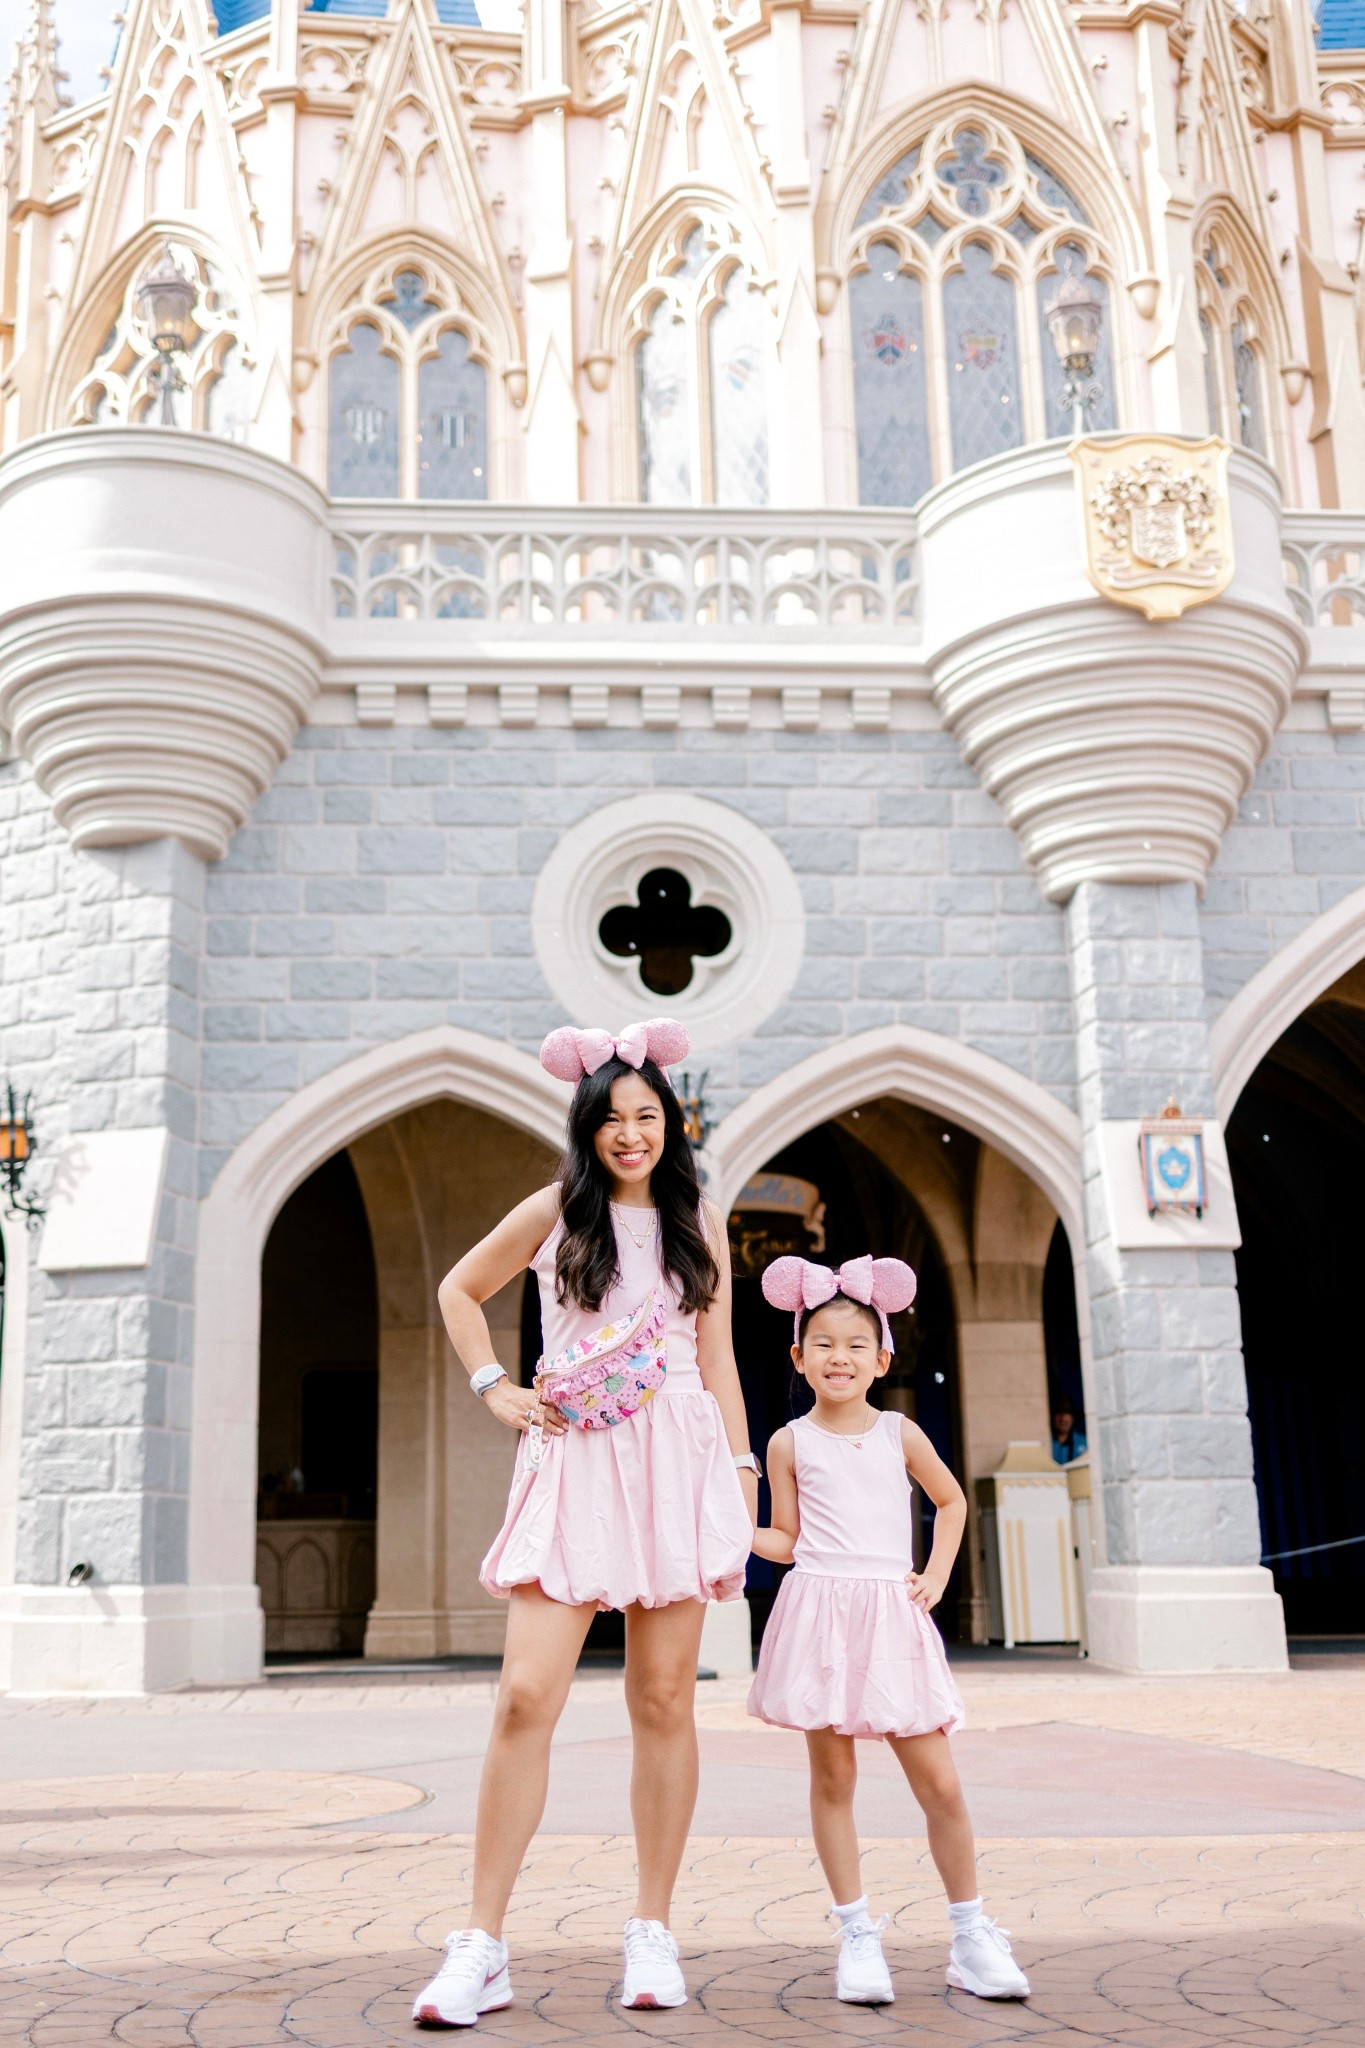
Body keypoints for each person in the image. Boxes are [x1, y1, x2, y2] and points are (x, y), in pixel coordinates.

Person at [410, 1017, 758, 2028]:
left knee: (663, 1700)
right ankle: (481, 1941)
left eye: (647, 1115)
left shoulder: (702, 1220)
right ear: (588, 1125)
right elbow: (458, 1287)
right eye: (612, 1117)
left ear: (672, 1123)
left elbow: (722, 1359)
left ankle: (652, 1926)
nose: (630, 1132)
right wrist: (493, 1385)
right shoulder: (557, 1210)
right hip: (575, 1457)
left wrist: (741, 1472)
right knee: (525, 1693)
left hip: (679, 1458)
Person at [748, 1254, 1030, 2006]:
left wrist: (934, 1577)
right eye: (823, 1344)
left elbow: (950, 1502)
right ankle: (856, 1933)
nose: (838, 1358)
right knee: (833, 1778)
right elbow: (785, 1538)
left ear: (882, 1358)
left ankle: (970, 1933)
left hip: (888, 1613)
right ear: (797, 1356)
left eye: (854, 1345)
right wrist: (730, 1530)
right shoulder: (786, 1443)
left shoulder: (898, 1432)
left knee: (938, 1781)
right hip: (817, 1613)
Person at [1051, 1398, 1088, 1465]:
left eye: (1067, 1413)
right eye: (1059, 1412)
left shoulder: (1085, 1442)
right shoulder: (1046, 1442)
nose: (1063, 1418)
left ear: (1073, 1418)